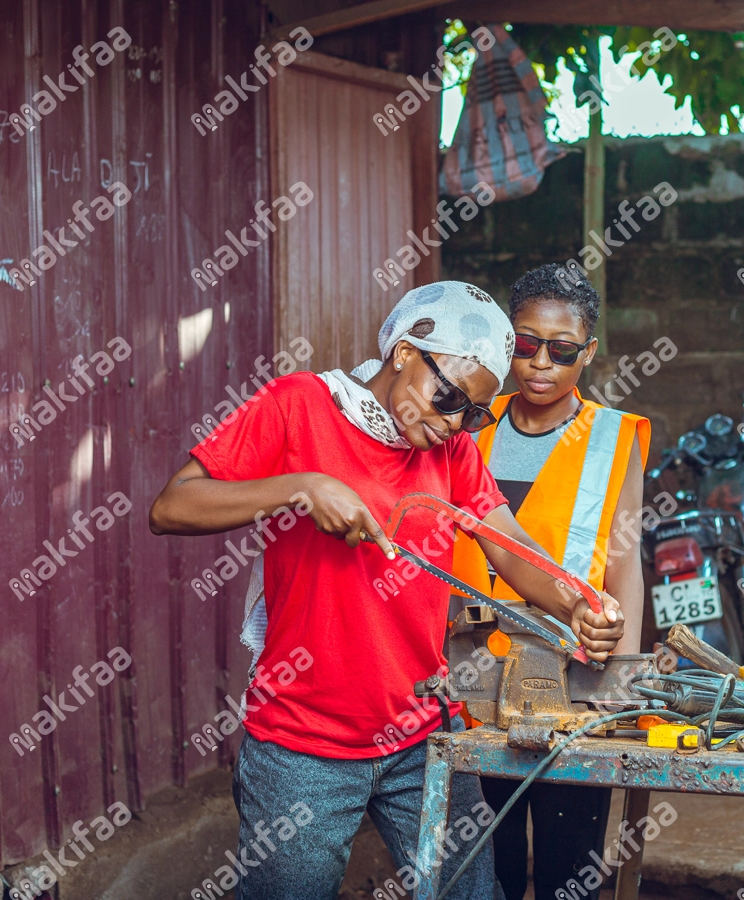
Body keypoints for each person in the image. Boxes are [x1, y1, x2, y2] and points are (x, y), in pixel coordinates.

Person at [147, 281, 627, 900]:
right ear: (404, 351)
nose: (454, 421)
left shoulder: (451, 449)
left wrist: (576, 603)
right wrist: (302, 486)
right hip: (304, 744)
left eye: (474, 413)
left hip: (423, 733)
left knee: (472, 891)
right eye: (448, 395)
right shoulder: (300, 405)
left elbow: (503, 538)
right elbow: (172, 505)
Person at [450, 264, 649, 900]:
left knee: (569, 862)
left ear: (588, 353)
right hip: (464, 673)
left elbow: (626, 562)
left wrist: (622, 680)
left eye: (562, 351)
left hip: (567, 678)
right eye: (527, 344)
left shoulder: (615, 437)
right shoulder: (466, 422)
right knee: (482, 862)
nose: (541, 364)